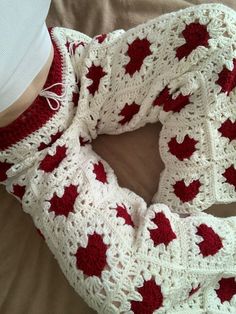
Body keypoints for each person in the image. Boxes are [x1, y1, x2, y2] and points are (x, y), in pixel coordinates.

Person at [0, 1, 236, 313]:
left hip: (79, 66)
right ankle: (182, 240)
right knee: (131, 288)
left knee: (218, 37)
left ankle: (181, 209)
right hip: (37, 151)